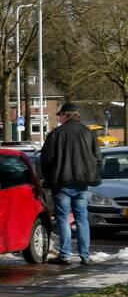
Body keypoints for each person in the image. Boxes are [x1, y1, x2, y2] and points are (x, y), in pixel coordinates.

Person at [41, 102, 102, 265]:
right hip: (82, 182)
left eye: (60, 115)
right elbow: (98, 158)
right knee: (82, 218)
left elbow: (45, 159)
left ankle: (65, 255)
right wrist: (91, 175)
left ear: (67, 115)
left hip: (62, 183)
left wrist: (48, 177)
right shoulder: (88, 133)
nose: (59, 118)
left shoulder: (56, 134)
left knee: (63, 218)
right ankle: (85, 255)